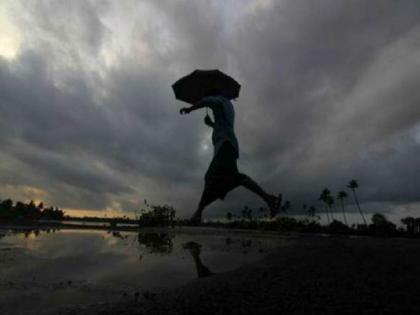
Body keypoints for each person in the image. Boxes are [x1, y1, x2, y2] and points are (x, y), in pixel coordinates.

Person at [180, 90, 281, 224]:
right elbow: (223, 125)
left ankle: (198, 213)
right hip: (227, 146)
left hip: (225, 146)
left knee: (213, 177)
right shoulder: (227, 105)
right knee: (232, 179)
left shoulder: (219, 99)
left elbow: (207, 101)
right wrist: (211, 124)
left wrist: (190, 109)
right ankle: (269, 199)